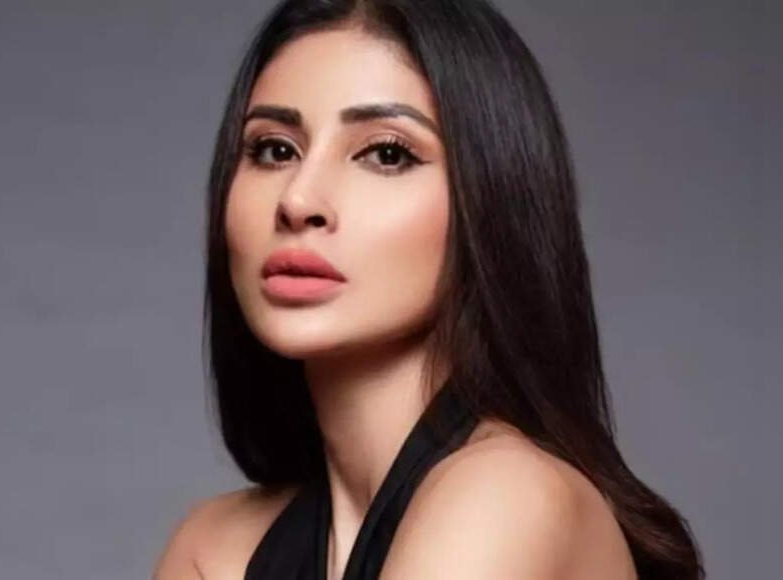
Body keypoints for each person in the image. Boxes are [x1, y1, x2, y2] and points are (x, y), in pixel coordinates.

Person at [154, 0, 705, 578]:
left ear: (489, 201)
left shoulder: (508, 495)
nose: (298, 199)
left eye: (387, 154)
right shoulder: (215, 545)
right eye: (275, 149)